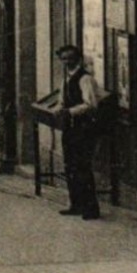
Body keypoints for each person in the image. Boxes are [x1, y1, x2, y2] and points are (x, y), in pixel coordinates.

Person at [57, 45, 105, 220]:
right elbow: (62, 100)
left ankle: (91, 208)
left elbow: (90, 104)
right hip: (69, 127)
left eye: (70, 58)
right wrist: (59, 108)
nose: (66, 62)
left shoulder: (85, 79)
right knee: (70, 166)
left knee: (83, 166)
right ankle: (75, 204)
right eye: (63, 59)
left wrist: (70, 111)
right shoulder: (65, 78)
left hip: (83, 128)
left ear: (77, 59)